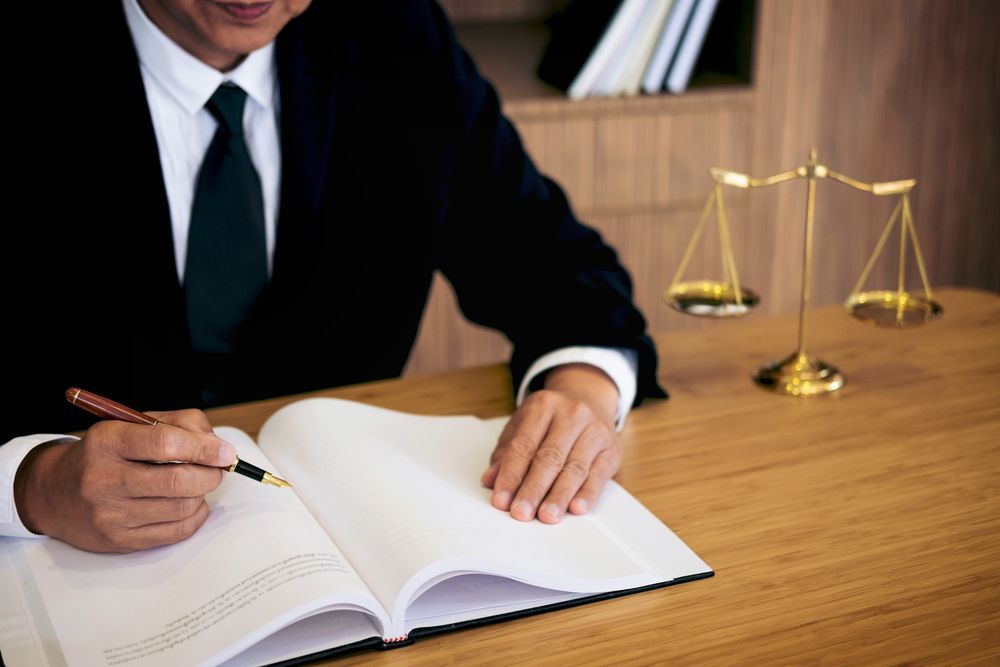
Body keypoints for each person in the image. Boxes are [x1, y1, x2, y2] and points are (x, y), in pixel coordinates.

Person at [0, 0, 665, 552]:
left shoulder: (394, 33)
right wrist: (32, 485)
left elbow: (561, 268)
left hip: (350, 556)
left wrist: (584, 389)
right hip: (73, 573)